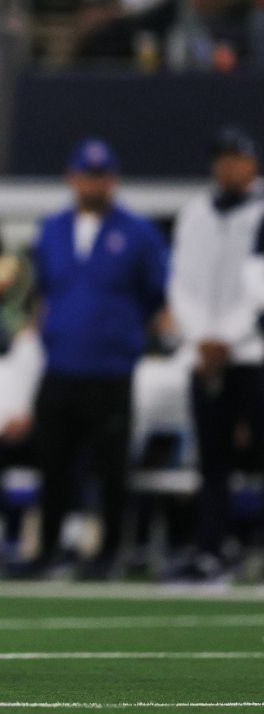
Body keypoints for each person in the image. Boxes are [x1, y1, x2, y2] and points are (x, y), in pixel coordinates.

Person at [27, 138, 169, 580]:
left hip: (110, 369)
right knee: (52, 463)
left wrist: (121, 336)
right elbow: (44, 291)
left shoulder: (138, 232)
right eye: (87, 175)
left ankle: (108, 553)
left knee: (110, 468)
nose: (93, 183)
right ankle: (48, 549)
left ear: (114, 179)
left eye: (101, 175)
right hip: (60, 365)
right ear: (72, 178)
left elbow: (155, 295)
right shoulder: (51, 228)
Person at [167, 127, 264, 581]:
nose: (227, 166)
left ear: (252, 163)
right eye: (221, 157)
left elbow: (259, 286)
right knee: (212, 462)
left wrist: (228, 336)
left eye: (236, 157)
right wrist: (201, 338)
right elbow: (181, 283)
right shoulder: (193, 214)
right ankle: (211, 549)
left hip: (252, 353)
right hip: (205, 356)